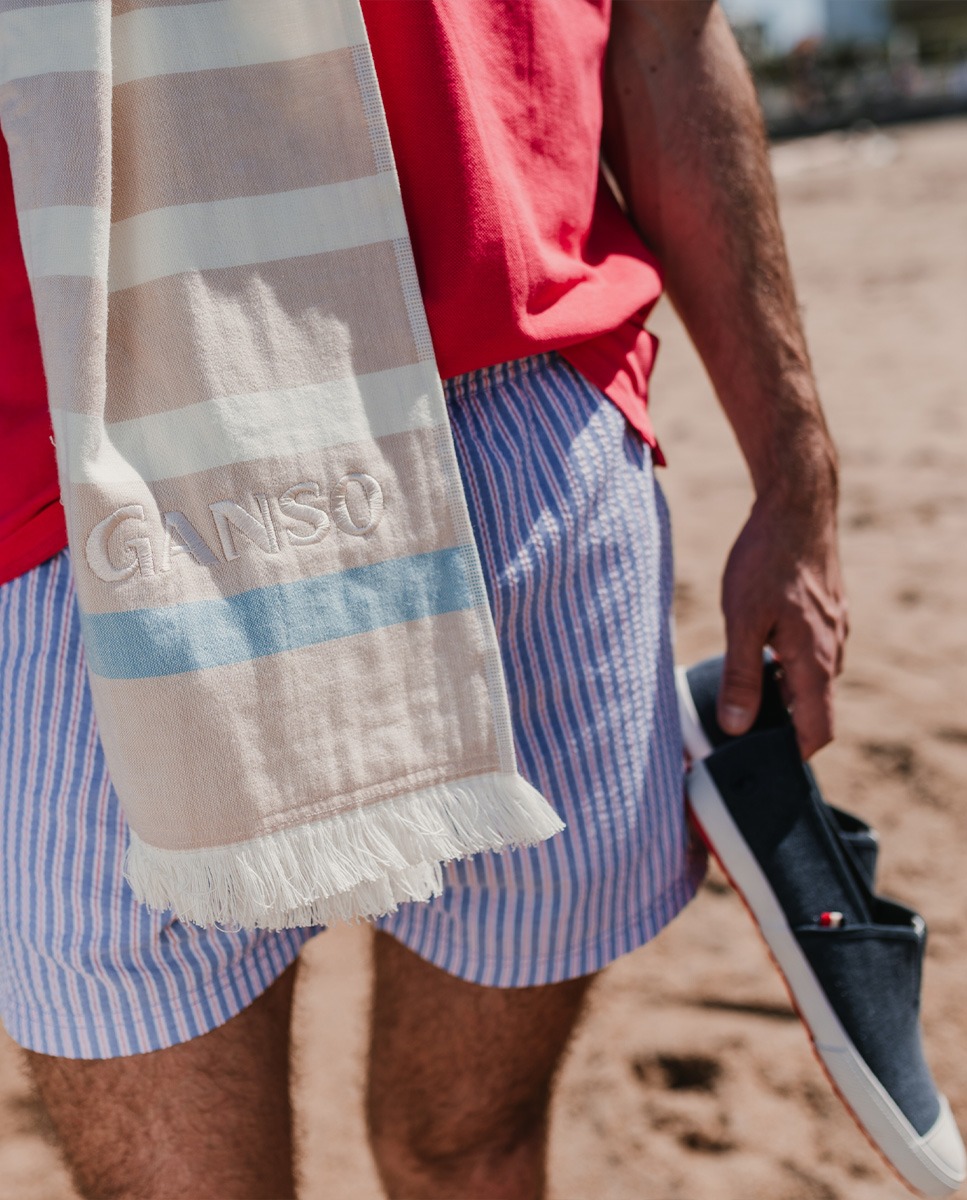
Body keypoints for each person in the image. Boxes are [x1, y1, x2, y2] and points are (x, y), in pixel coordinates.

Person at [0, 1, 847, 1197]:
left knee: (472, 1153)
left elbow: (664, 29)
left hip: (520, 424)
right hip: (79, 478)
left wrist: (795, 468)